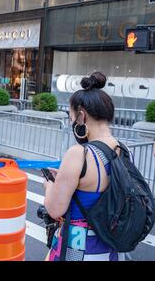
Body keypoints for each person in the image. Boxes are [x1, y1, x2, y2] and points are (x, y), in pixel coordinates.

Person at [43, 72, 125, 261]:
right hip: (109, 248)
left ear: (81, 116)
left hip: (78, 249)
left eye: (71, 117)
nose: (72, 122)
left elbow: (55, 210)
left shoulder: (80, 154)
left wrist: (50, 186)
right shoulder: (123, 149)